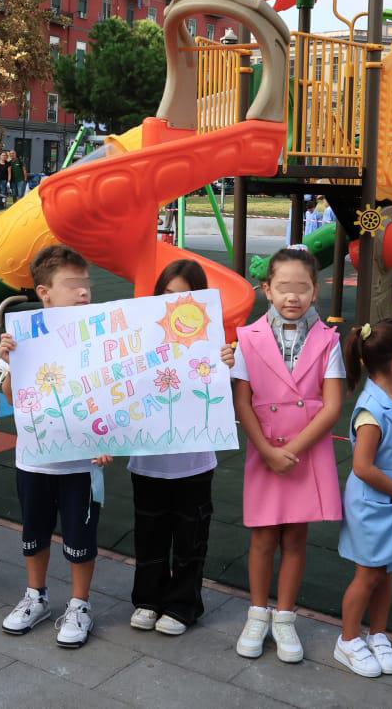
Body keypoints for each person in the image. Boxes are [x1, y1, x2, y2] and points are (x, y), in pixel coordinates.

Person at [0, 245, 114, 648]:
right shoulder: (22, 336)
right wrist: (11, 362)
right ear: (44, 292)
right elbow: (12, 397)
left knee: (81, 540)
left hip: (82, 465)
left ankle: (80, 604)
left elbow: (115, 395)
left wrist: (110, 440)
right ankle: (36, 596)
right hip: (35, 460)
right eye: (72, 285)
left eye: (86, 285)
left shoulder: (101, 334)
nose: (84, 293)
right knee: (34, 533)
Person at [231, 246, 344, 664]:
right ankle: (257, 613)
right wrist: (266, 450)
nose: (292, 297)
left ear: (316, 291)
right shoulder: (248, 337)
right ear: (267, 290)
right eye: (283, 288)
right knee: (262, 536)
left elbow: (332, 405)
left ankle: (284, 617)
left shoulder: (328, 340)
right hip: (265, 448)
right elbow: (243, 401)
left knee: (296, 537)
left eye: (302, 288)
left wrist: (289, 452)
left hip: (304, 452)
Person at [128, 260, 232, 637]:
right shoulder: (138, 339)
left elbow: (228, 395)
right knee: (149, 533)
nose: (173, 303)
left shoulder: (213, 343)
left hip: (195, 461)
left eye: (184, 295)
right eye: (166, 295)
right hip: (148, 461)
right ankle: (148, 600)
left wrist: (227, 364)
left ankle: (184, 603)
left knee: (191, 536)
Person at [334, 318, 392, 679]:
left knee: (385, 572)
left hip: (390, 502)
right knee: (367, 575)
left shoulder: (390, 398)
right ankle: (348, 639)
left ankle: (378, 633)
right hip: (377, 503)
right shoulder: (371, 411)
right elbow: (363, 467)